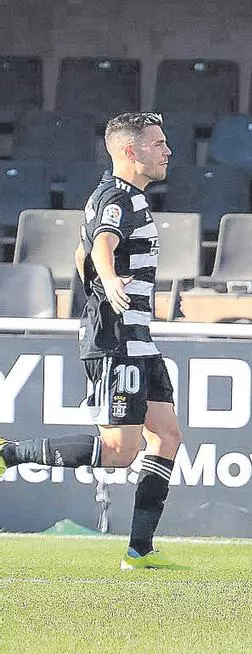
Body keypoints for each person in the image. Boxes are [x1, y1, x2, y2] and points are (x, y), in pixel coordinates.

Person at [0, 112, 187, 571]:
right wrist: (109, 281)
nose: (168, 151)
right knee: (120, 452)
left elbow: (81, 249)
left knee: (166, 436)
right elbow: (101, 244)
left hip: (138, 337)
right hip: (116, 339)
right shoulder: (116, 197)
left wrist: (98, 279)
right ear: (130, 150)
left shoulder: (129, 198)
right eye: (158, 143)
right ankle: (8, 453)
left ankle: (140, 551)